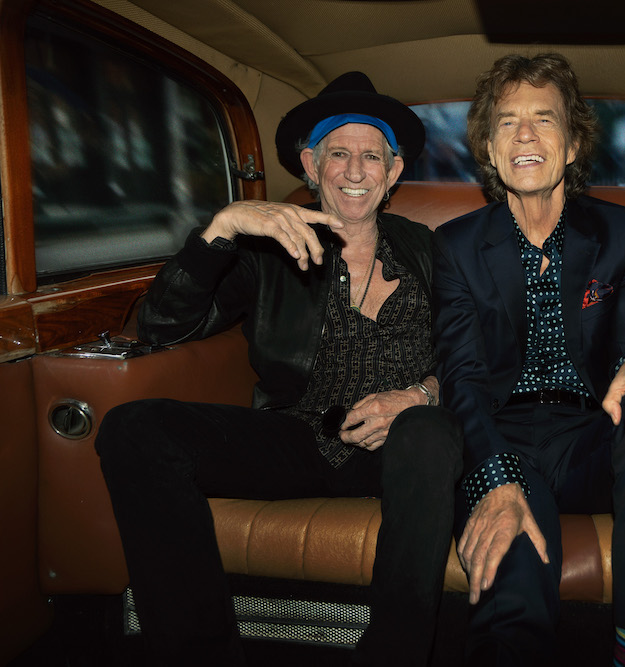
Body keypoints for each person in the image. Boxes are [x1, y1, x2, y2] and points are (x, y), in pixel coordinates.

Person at [95, 71, 462, 667]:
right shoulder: (264, 251)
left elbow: (479, 357)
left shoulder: (433, 250)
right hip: (299, 436)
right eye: (337, 154)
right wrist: (222, 228)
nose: (354, 171)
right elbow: (161, 326)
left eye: (372, 156)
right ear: (311, 165)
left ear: (393, 172)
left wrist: (419, 395)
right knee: (133, 429)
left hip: (407, 451)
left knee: (427, 431)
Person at [432, 53, 625, 667]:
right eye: (507, 123)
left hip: (591, 436)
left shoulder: (619, 233)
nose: (524, 135)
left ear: (574, 144)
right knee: (511, 556)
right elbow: (462, 378)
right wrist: (495, 477)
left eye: (544, 119)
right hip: (503, 435)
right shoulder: (456, 246)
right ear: (490, 149)